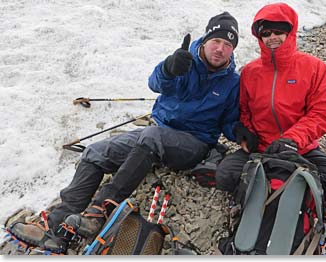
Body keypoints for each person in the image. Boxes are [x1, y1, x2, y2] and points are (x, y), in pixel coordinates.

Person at [9, 12, 241, 253]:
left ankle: (99, 212)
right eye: (216, 41)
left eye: (228, 45)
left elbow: (229, 121)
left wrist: (240, 132)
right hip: (158, 131)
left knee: (152, 137)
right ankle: (55, 228)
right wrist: (169, 69)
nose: (220, 49)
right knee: (95, 152)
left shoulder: (232, 82)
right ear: (205, 40)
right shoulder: (184, 60)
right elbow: (155, 83)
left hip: (193, 143)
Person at [216, 3, 326, 204]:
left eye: (278, 31)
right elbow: (244, 110)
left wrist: (292, 140)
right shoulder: (250, 72)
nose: (272, 38)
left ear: (290, 32)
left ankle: (272, 183)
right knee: (224, 176)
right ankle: (284, 182)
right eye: (266, 33)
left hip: (301, 148)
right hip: (261, 149)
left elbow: (322, 113)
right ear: (259, 37)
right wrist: (245, 131)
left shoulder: (314, 68)